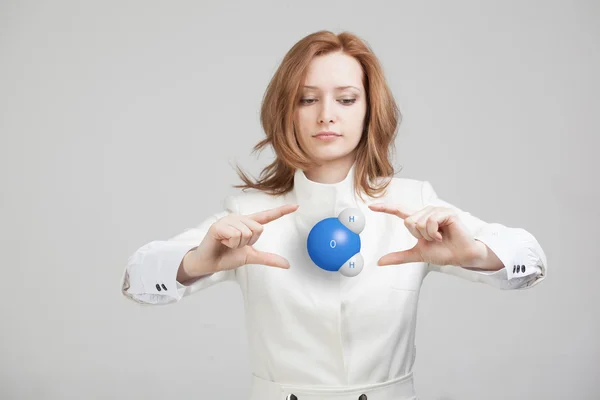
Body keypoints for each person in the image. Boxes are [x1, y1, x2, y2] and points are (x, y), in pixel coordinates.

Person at [120, 30, 547, 400]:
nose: (327, 114)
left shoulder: (413, 202)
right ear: (285, 110)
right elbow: (137, 279)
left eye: (345, 99)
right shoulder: (249, 216)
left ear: (369, 109)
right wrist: (194, 262)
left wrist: (472, 253)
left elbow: (530, 260)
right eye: (307, 99)